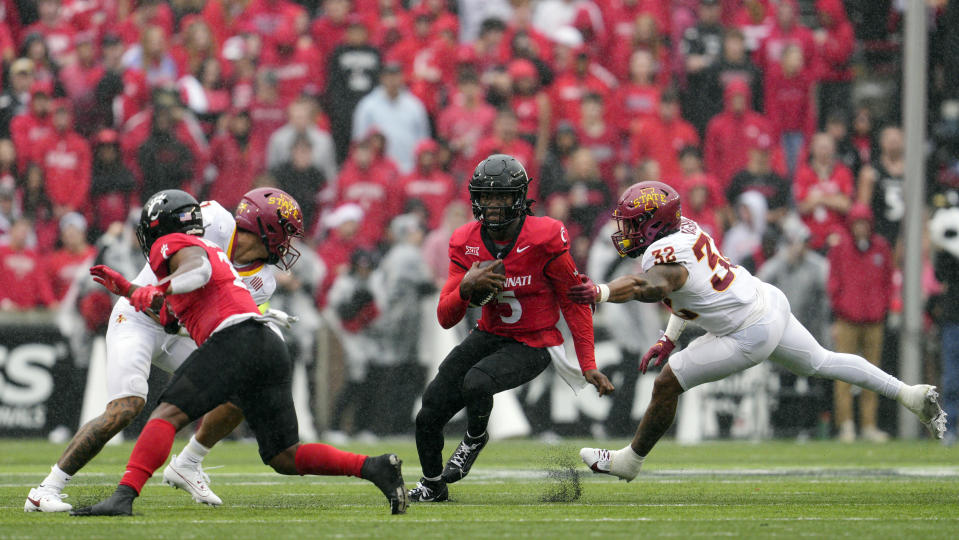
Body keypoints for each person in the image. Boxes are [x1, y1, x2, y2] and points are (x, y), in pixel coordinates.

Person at [569, 181, 946, 482]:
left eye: (634, 222)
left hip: (747, 331)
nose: (627, 231)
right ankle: (909, 395)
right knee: (822, 362)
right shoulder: (686, 229)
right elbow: (684, 293)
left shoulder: (662, 257)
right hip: (767, 302)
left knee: (668, 383)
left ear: (655, 223)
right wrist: (669, 337)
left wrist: (600, 292)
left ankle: (629, 462)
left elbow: (647, 287)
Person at [68, 189, 408, 517]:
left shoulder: (193, 250)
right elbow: (176, 315)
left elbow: (197, 275)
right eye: (285, 233)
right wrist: (133, 289)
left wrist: (155, 288)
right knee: (284, 456)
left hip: (237, 337)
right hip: (268, 345)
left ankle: (124, 496)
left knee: (166, 415)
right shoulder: (210, 227)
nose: (288, 244)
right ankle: (373, 467)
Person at [25, 188, 297, 512]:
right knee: (127, 407)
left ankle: (189, 462)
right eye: (286, 232)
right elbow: (171, 262)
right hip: (140, 317)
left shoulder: (264, 281)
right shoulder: (211, 220)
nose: (288, 244)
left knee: (243, 380)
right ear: (266, 227)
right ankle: (45, 490)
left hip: (180, 327)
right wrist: (156, 294)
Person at [407, 154, 614, 503]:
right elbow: (445, 316)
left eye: (501, 196)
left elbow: (574, 300)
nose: (492, 205)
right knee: (429, 411)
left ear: (518, 197)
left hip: (535, 342)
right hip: (490, 335)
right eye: (485, 197)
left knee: (477, 381)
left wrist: (588, 362)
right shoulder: (465, 241)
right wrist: (465, 287)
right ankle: (432, 485)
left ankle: (474, 438)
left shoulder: (545, 237)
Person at [826, 204, 894, 443]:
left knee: (873, 374)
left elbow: (888, 280)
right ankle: (846, 424)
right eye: (857, 223)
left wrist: (882, 306)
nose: (861, 228)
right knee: (843, 373)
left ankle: (868, 424)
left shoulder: (881, 248)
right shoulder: (840, 248)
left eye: (864, 223)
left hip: (874, 320)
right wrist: (839, 308)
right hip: (847, 319)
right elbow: (833, 282)